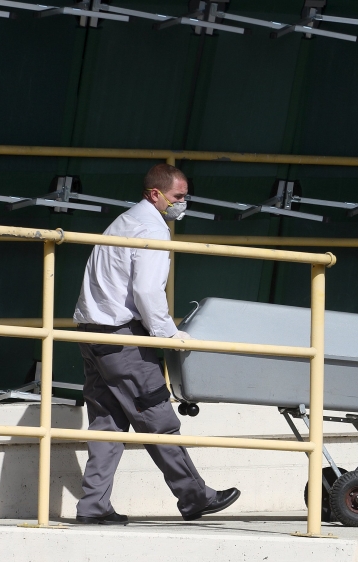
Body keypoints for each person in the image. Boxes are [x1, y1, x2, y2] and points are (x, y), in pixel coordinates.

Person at [72, 163, 239, 525]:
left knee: (107, 424)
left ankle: (93, 506)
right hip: (121, 339)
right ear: (156, 194)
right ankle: (194, 497)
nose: (183, 203)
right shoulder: (151, 228)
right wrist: (168, 334)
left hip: (91, 334)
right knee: (157, 418)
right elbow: (147, 291)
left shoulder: (124, 221)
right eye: (178, 197)